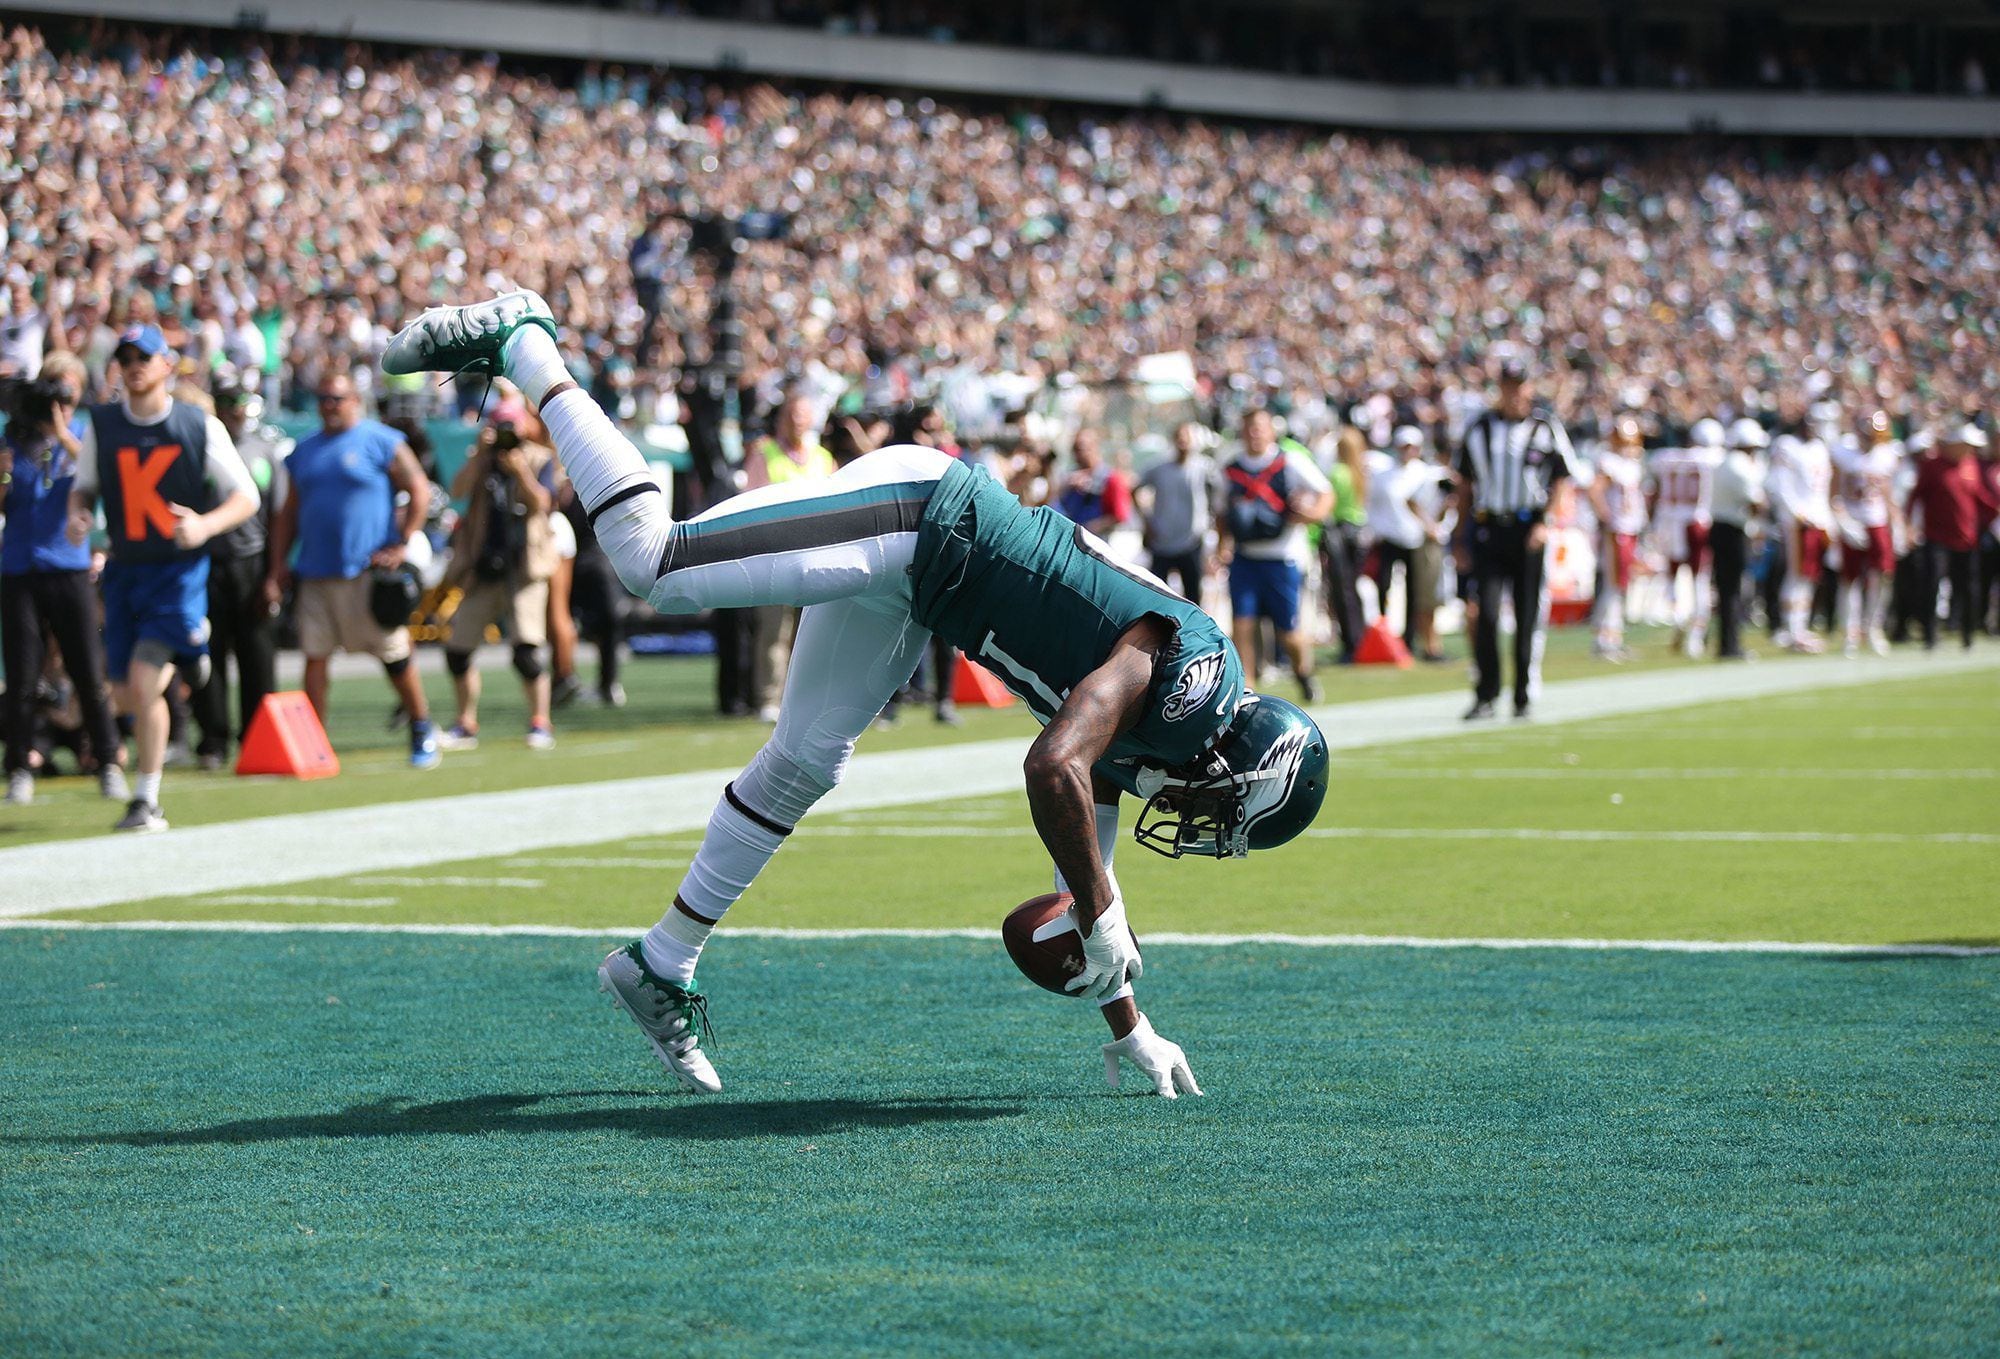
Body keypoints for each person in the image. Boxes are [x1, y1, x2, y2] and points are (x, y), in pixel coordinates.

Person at [385, 291, 1329, 1099]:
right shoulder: (1194, 686)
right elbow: (1053, 766)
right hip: (921, 517)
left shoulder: (1163, 737)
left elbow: (1084, 868)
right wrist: (1106, 917)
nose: (1201, 827)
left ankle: (658, 962)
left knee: (805, 760)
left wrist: (1130, 1025)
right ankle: (524, 341)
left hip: (923, 589)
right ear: (1236, 764)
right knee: (655, 561)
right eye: (1223, 816)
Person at [66, 325, 258, 832]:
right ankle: (193, 654)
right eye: (125, 356)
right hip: (126, 570)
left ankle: (146, 799)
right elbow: (83, 488)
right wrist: (79, 515)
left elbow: (246, 496)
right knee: (126, 694)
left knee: (144, 681)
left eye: (143, 356)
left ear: (166, 365)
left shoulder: (197, 424)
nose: (133, 365)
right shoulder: (103, 425)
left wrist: (204, 525)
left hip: (176, 571)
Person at [264, 370, 440, 767]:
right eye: (323, 399)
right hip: (316, 571)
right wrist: (278, 567)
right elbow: (288, 513)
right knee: (315, 657)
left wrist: (402, 541)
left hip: (366, 569)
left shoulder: (381, 440)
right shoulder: (304, 450)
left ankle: (421, 724)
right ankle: (314, 744)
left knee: (393, 654)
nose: (329, 407)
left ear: (354, 401)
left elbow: (419, 490)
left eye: (336, 399)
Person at [2, 356, 125, 804]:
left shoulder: (86, 436)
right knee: (21, 677)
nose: (60, 404)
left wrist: (61, 433)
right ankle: (19, 764)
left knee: (88, 671)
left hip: (69, 567)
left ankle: (108, 760)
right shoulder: (13, 440)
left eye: (68, 395)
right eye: (53, 392)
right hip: (19, 567)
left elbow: (100, 475)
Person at [1453, 360, 1578, 720]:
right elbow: (1465, 485)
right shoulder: (1479, 428)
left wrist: (1545, 522)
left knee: (1526, 615)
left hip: (1528, 530)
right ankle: (1486, 693)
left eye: (1519, 384)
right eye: (1507, 384)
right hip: (1490, 528)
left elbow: (1560, 479)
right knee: (1486, 614)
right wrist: (1460, 538)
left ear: (1528, 387)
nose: (1513, 392)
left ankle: (1522, 695)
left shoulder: (1544, 427)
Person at [438, 405, 560, 750]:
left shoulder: (538, 458)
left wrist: (520, 472)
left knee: (527, 652)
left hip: (524, 567)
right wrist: (479, 455)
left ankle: (540, 721)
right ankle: (465, 723)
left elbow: (543, 504)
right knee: (458, 650)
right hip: (484, 565)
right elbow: (457, 491)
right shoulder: (482, 458)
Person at [193, 367, 289, 770]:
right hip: (208, 561)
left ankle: (257, 735)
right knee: (208, 655)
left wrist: (274, 575)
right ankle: (213, 739)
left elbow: (280, 514)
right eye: (227, 402)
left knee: (257, 655)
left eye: (239, 402)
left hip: (251, 561)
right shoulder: (200, 449)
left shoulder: (264, 449)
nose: (234, 410)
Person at [1215, 409, 1333, 703]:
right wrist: (1222, 544)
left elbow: (1325, 493)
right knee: (1242, 623)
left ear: (1271, 431)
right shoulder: (1230, 466)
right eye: (1249, 428)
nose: (1254, 433)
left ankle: (1303, 673)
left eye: (1260, 428)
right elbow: (1221, 510)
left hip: (1282, 557)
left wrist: (1310, 516)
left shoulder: (1290, 460)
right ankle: (1246, 689)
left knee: (1288, 631)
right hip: (1245, 557)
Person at [742, 393, 836, 723]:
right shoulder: (765, 455)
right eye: (792, 415)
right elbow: (751, 505)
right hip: (776, 560)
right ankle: (769, 697)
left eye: (803, 415)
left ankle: (807, 698)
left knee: (813, 633)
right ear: (783, 419)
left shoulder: (823, 457)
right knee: (773, 632)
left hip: (816, 560)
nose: (797, 422)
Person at [1906, 423, 1998, 650]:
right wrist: (1908, 525)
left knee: (1968, 588)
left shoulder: (1970, 465)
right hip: (1936, 537)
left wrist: (1995, 509)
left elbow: (1979, 497)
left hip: (1966, 538)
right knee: (1932, 585)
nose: (1970, 450)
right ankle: (1930, 636)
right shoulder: (1932, 466)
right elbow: (1916, 497)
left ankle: (1968, 635)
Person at [1648, 418, 1723, 657]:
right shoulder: (1713, 459)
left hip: (1668, 521)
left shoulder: (1665, 458)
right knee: (1700, 580)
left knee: (1671, 577)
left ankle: (1677, 617)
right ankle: (1696, 638)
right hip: (1696, 522)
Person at [1830, 411, 1902, 657]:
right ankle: (1850, 631)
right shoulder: (1843, 453)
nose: (1873, 439)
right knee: (1850, 579)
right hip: (1852, 518)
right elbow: (1833, 494)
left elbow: (1888, 493)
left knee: (1883, 575)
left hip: (1876, 520)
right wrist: (1842, 521)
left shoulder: (1885, 456)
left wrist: (1898, 523)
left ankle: (1874, 627)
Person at [1767, 404, 1836, 652]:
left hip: (1817, 518)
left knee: (1809, 576)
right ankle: (1791, 629)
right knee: (1797, 575)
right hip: (1799, 520)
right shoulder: (1787, 445)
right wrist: (1797, 513)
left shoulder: (1819, 449)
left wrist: (1827, 519)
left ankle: (1799, 627)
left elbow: (1823, 490)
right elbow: (1779, 484)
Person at [1588, 414, 1650, 661]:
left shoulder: (1630, 464)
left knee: (1620, 584)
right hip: (1618, 529)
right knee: (1615, 584)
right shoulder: (1610, 462)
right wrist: (1606, 518)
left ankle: (1612, 636)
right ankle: (1606, 638)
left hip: (1628, 529)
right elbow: (1594, 490)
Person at [1136, 421, 1216, 604]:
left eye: (1187, 437)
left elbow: (1217, 500)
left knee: (1193, 597)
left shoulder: (1205, 468)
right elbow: (1135, 489)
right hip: (1162, 541)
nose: (1183, 441)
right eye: (1179, 437)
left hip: (1192, 541)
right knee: (1158, 596)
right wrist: (1146, 522)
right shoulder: (1159, 468)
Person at [1711, 419, 1768, 660]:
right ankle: (1730, 646)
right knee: (1733, 590)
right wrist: (1757, 526)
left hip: (1724, 527)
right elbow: (1757, 502)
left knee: (1728, 590)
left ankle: (1728, 644)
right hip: (1732, 530)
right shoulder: (1739, 466)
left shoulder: (1727, 463)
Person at [1317, 428, 1370, 663]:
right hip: (1357, 532)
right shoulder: (1358, 471)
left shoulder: (1338, 473)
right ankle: (1358, 639)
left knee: (1342, 591)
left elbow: (1328, 504)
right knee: (1352, 589)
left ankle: (1351, 643)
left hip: (1340, 532)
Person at [1054, 428, 1132, 538]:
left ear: (1095, 447)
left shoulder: (1111, 479)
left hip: (1096, 542)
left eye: (1081, 449)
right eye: (1074, 449)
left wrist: (1090, 528)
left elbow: (1120, 515)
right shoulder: (1070, 478)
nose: (1077, 455)